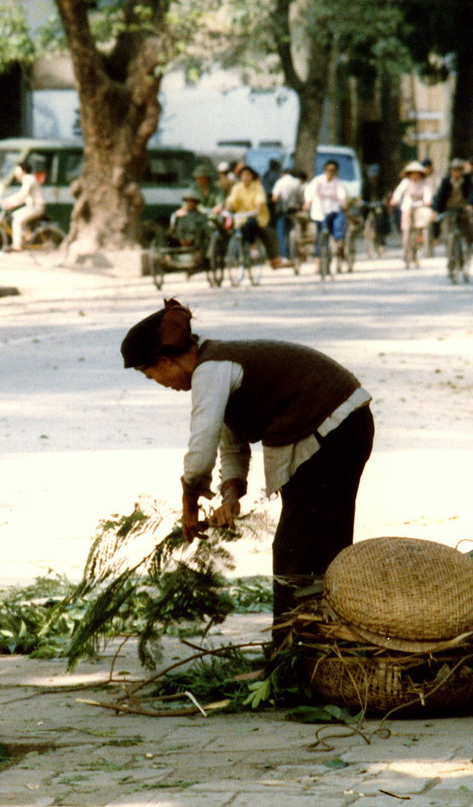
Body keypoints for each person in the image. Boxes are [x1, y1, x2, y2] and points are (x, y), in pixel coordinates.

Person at [120, 299, 374, 631]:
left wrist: (189, 503)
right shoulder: (218, 366)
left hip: (333, 426)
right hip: (343, 425)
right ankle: (321, 641)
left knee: (296, 549)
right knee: (320, 543)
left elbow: (202, 445)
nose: (161, 384)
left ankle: (292, 650)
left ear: (165, 360)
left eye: (152, 375)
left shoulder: (210, 370)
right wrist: (229, 499)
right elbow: (232, 446)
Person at [223, 165, 282, 268]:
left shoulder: (257, 186)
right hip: (240, 216)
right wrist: (226, 209)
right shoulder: (237, 187)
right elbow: (231, 199)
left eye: (247, 175)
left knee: (251, 223)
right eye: (243, 175)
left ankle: (253, 246)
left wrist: (257, 209)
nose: (245, 177)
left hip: (257, 216)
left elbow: (260, 199)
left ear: (252, 176)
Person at [303, 160, 349, 268]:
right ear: (325, 170)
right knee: (319, 236)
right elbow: (310, 191)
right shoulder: (318, 181)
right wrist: (308, 202)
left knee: (339, 223)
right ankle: (318, 260)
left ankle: (338, 245)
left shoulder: (338, 182)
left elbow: (341, 194)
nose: (330, 172)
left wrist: (344, 202)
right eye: (329, 170)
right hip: (319, 211)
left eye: (333, 171)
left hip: (333, 210)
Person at [389, 161, 434, 265]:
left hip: (420, 207)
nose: (415, 175)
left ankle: (417, 252)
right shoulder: (406, 182)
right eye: (413, 173)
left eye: (417, 173)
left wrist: (427, 200)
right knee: (406, 229)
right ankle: (405, 251)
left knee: (420, 228)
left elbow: (428, 193)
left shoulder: (425, 182)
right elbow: (398, 192)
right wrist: (395, 199)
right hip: (407, 207)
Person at [1, 161, 45, 252]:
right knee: (16, 215)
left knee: (17, 221)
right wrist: (10, 201)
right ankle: (25, 235)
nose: (15, 172)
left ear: (23, 171)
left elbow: (23, 194)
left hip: (36, 207)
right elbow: (22, 196)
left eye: (17, 170)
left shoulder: (28, 179)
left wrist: (10, 202)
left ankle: (17, 245)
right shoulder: (28, 179)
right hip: (32, 206)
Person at [432, 158, 473, 246]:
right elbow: (440, 196)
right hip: (448, 208)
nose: (456, 173)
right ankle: (449, 251)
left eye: (459, 171)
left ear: (462, 171)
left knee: (467, 226)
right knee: (447, 229)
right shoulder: (446, 181)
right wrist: (436, 210)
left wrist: (469, 204)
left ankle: (469, 246)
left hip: (462, 207)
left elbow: (470, 193)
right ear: (451, 172)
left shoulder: (467, 180)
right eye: (454, 171)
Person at [270, 167, 305, 265]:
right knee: (294, 230)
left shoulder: (280, 182)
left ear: (283, 174)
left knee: (281, 233)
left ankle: (284, 256)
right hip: (294, 211)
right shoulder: (296, 182)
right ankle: (296, 252)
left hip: (282, 211)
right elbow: (301, 196)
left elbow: (275, 198)